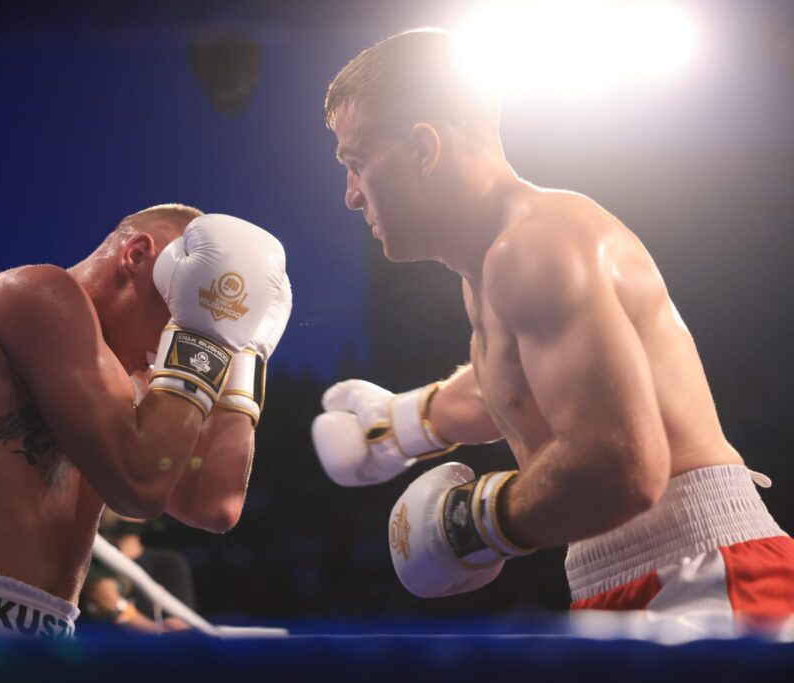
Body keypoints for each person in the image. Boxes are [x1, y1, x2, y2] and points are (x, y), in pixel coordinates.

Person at [311, 28, 794, 624]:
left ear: (422, 150)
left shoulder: (535, 248)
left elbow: (622, 468)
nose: (351, 196)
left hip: (707, 577)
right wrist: (401, 424)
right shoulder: (495, 267)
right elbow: (519, 387)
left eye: (357, 164)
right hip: (637, 578)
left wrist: (470, 523)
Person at [0, 205, 292, 639]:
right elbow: (139, 485)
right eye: (185, 294)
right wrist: (200, 335)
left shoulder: (133, 382)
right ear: (137, 255)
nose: (180, 322)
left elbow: (213, 505)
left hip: (46, 639)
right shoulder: (39, 296)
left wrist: (244, 355)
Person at [79, 509, 195, 634]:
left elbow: (180, 637)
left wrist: (119, 610)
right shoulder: (80, 564)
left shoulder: (167, 564)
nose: (125, 507)